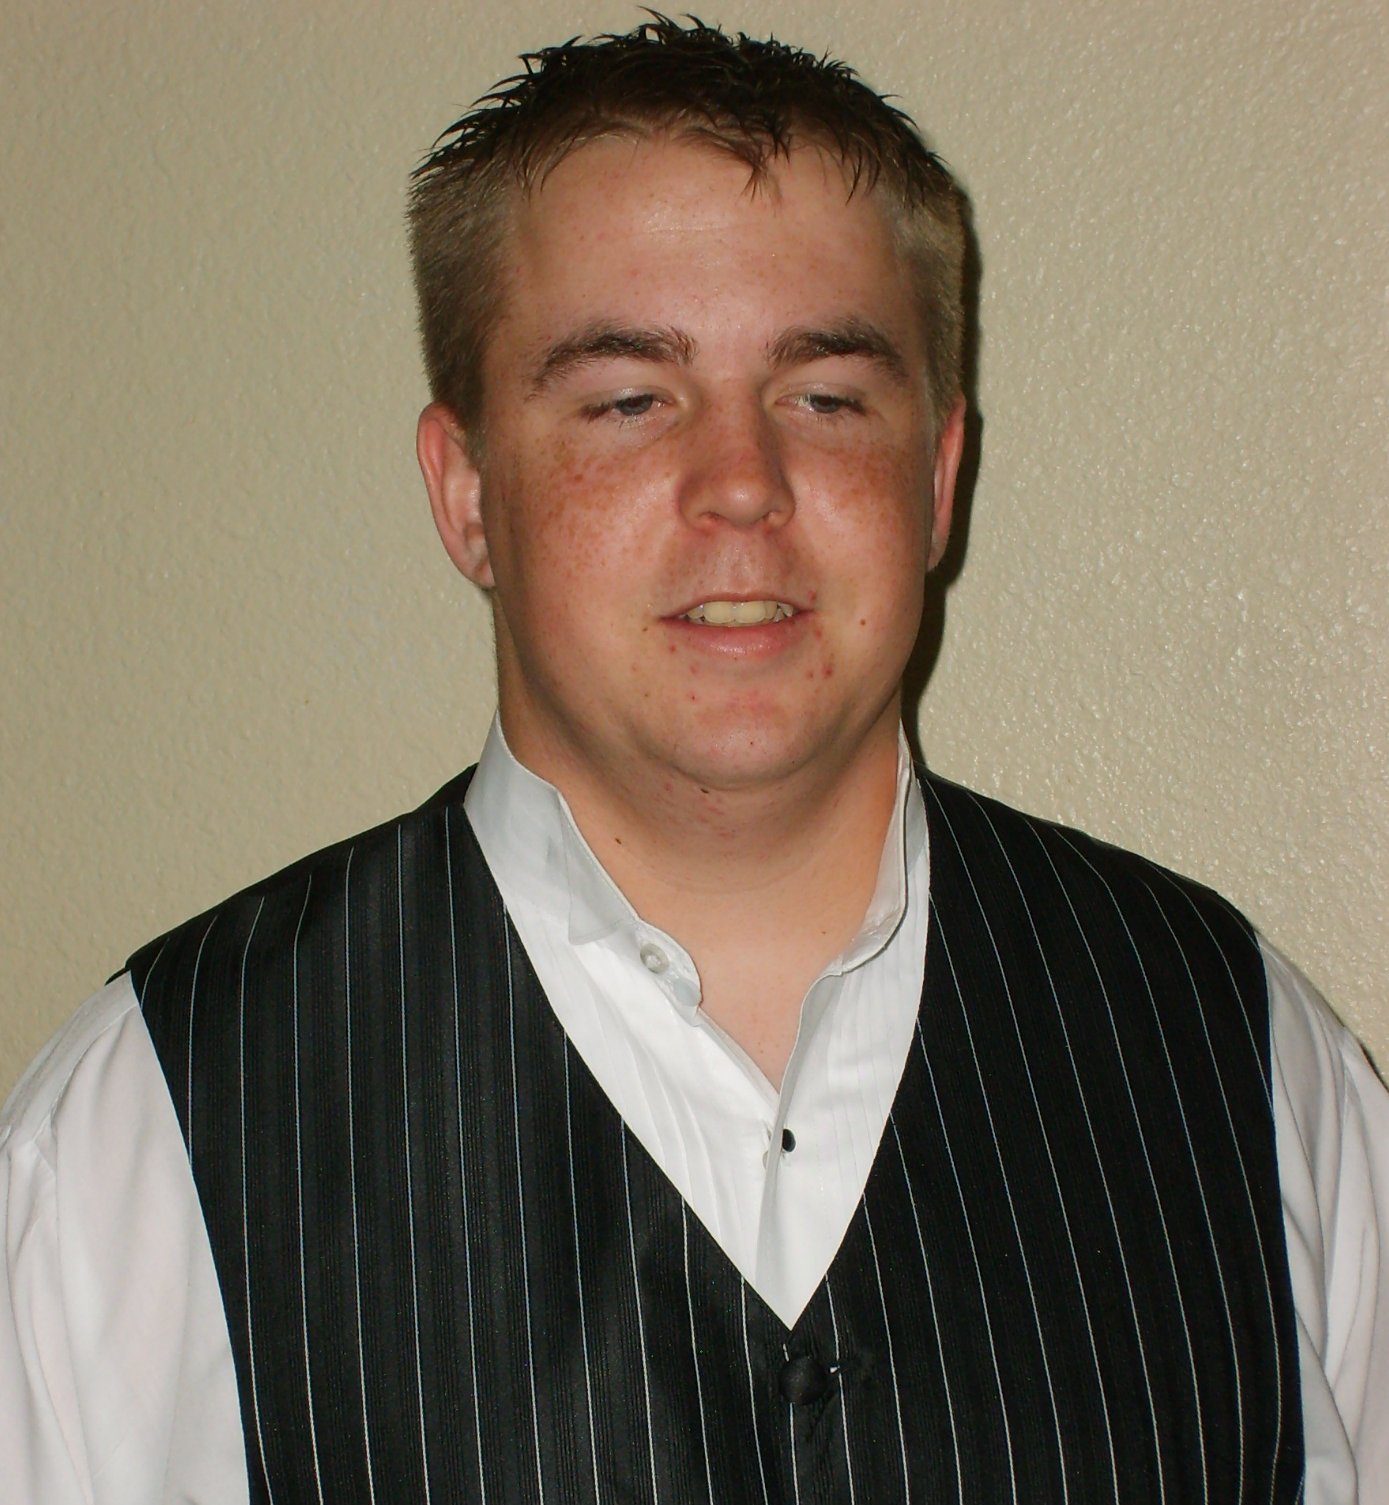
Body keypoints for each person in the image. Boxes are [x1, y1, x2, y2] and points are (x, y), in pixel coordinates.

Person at [2, 16, 1386, 1503]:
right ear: (466, 493)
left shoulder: (1243, 1059)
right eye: (626, 400)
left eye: (826, 397)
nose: (741, 485)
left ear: (936, 478)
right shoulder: (147, 1130)